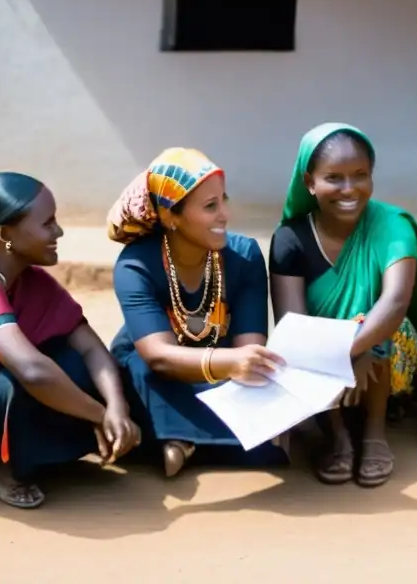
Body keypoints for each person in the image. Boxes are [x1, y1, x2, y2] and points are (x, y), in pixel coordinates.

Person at [0, 172, 139, 509]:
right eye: (47, 223)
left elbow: (92, 348)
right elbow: (32, 372)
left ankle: (3, 456)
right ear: (6, 234)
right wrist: (98, 415)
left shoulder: (31, 280)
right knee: (24, 380)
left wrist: (117, 408)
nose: (59, 231)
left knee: (76, 366)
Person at [268, 123, 417, 487]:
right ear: (309, 182)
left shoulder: (391, 225)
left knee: (378, 324)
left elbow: (395, 302)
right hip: (321, 357)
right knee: (311, 335)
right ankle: (337, 436)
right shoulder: (290, 240)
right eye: (334, 177)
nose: (349, 189)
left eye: (360, 175)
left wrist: (354, 349)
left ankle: (374, 433)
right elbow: (291, 324)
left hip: (387, 349)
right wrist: (338, 355)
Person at [107, 148, 288, 478]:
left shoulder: (244, 255)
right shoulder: (136, 265)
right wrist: (234, 363)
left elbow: (247, 350)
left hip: (222, 372)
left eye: (224, 200)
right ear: (170, 217)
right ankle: (202, 439)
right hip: (157, 370)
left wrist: (242, 366)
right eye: (210, 206)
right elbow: (158, 356)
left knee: (262, 394)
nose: (225, 215)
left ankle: (177, 438)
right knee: (139, 373)